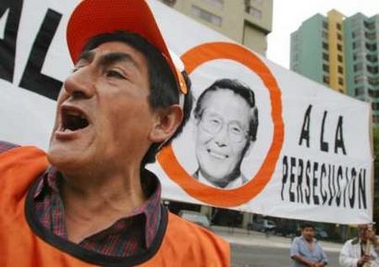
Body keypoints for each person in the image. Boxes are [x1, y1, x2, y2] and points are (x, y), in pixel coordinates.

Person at [0, 0, 230, 266]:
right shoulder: (6, 166)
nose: (72, 82)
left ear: (163, 122)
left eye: (114, 73)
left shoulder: (200, 257)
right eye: (78, 67)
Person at [192, 78, 259, 189]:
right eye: (214, 121)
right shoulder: (168, 191)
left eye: (235, 129)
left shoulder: (262, 203)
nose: (221, 140)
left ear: (249, 145)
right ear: (195, 125)